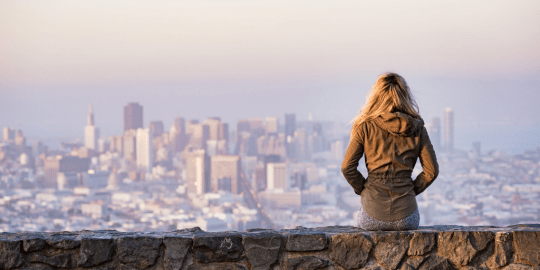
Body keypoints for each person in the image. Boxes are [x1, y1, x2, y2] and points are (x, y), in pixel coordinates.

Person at [341, 72, 438, 231]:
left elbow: (347, 167)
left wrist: (363, 189)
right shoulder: (418, 128)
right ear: (405, 95)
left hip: (372, 215)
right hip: (407, 216)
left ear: (376, 96)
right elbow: (431, 171)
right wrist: (411, 190)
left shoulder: (364, 126)